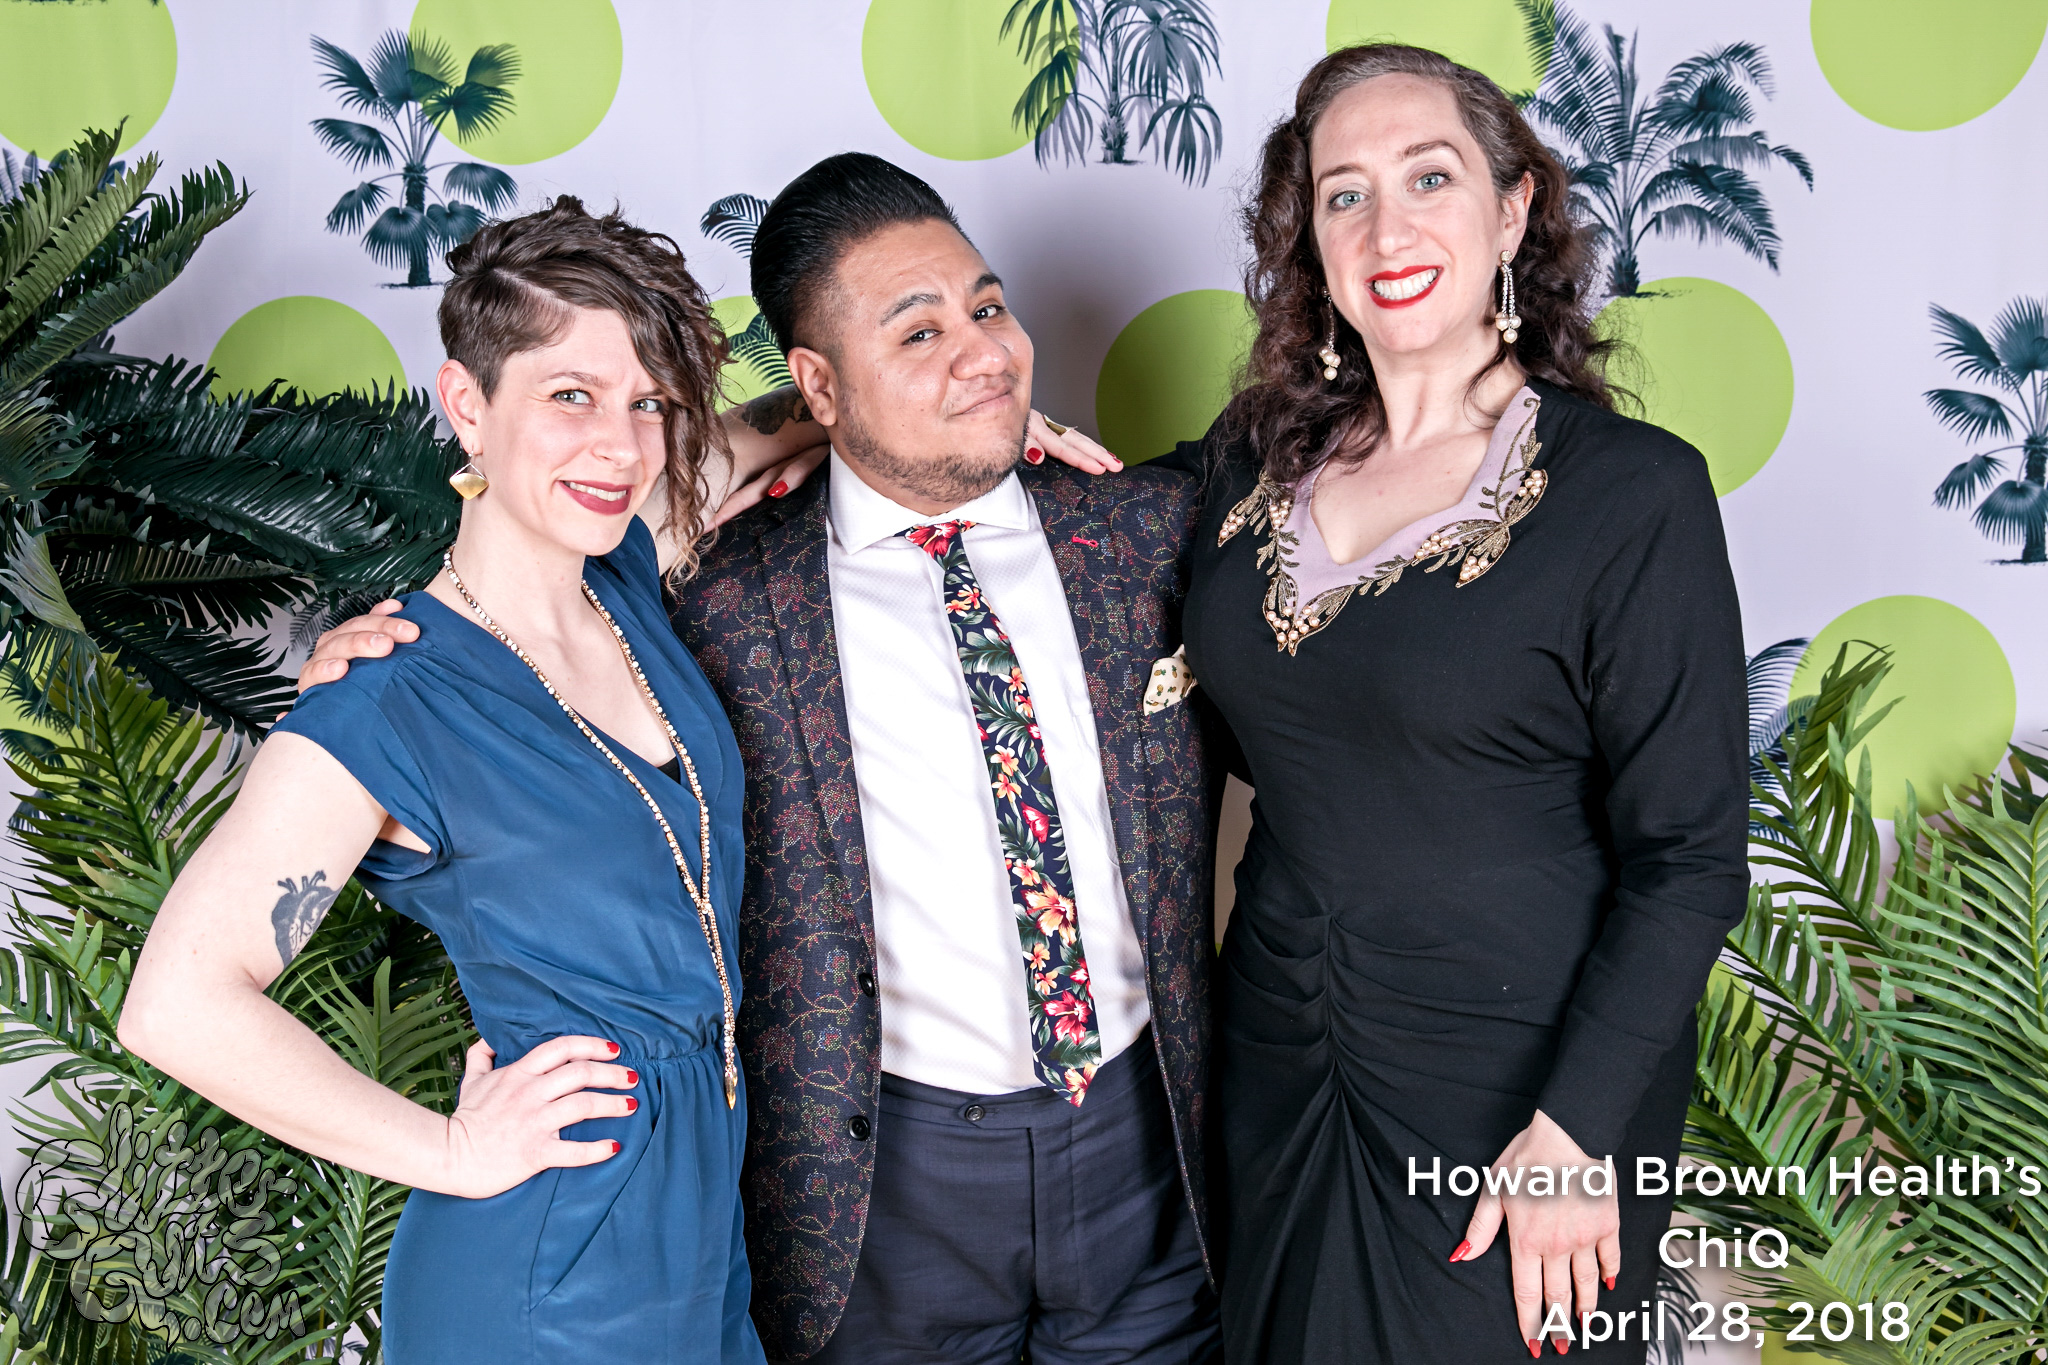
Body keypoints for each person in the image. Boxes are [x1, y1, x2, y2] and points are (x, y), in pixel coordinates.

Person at [299, 156, 1219, 1365]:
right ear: (818, 381)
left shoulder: (1144, 531)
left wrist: (958, 405)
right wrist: (380, 649)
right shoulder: (712, 600)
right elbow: (534, 557)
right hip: (869, 1189)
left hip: (1141, 1153)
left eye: (988, 311)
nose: (982, 351)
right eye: (919, 331)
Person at [119, 197, 830, 1364]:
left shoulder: (623, 570)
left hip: (702, 1256)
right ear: (466, 407)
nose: (622, 446)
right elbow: (177, 1003)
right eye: (571, 396)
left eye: (649, 401)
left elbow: (793, 419)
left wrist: (974, 427)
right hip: (545, 1280)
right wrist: (451, 1152)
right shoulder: (388, 696)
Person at [1120, 44, 1745, 1364]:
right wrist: (796, 432)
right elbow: (1048, 515)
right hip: (1281, 1065)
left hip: (1524, 1096)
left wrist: (1576, 1130)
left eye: (1429, 178)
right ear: (1310, 241)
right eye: (1343, 194)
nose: (1385, 228)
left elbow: (1688, 859)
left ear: (1513, 210)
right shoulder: (1244, 465)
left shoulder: (1632, 495)